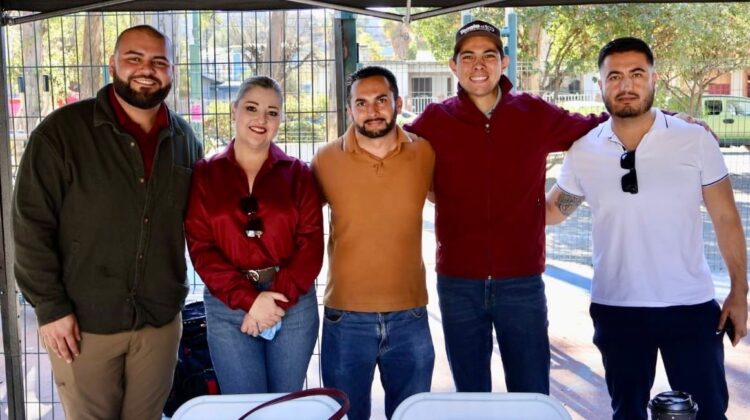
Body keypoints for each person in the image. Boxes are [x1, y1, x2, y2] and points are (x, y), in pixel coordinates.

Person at [545, 37, 747, 420]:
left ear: (654, 79)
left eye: (637, 74)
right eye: (614, 76)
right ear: (601, 84)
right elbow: (555, 209)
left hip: (690, 306)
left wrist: (740, 290)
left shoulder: (694, 139)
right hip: (616, 308)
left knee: (708, 412)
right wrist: (487, 203)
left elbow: (725, 218)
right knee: (627, 414)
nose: (626, 85)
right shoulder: (584, 149)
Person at [403, 19, 608, 394]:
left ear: (504, 62)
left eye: (488, 55)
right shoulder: (435, 119)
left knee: (531, 392)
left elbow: (597, 127)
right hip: (458, 282)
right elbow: (394, 151)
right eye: (468, 56)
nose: (478, 65)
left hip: (521, 280)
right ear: (453, 66)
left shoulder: (534, 114)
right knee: (471, 394)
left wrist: (666, 120)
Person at [13, 25, 202, 420]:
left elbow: (203, 225)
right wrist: (50, 308)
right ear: (112, 64)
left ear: (172, 71)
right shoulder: (61, 133)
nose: (146, 69)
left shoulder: (185, 140)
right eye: (134, 58)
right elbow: (30, 226)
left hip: (158, 323)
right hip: (83, 323)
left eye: (159, 62)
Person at [185, 76, 323, 394]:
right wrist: (250, 301)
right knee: (246, 404)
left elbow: (311, 244)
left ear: (280, 119)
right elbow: (201, 247)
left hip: (291, 303)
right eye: (251, 108)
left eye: (272, 112)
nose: (261, 119)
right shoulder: (206, 174)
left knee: (284, 404)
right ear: (234, 111)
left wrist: (273, 303)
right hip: (228, 304)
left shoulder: (298, 174)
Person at [312, 66, 435, 420]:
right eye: (361, 103)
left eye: (381, 100)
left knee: (411, 415)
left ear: (398, 103)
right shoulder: (325, 159)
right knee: (346, 416)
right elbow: (294, 222)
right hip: (345, 317)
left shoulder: (425, 153)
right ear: (350, 109)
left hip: (410, 314)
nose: (372, 110)